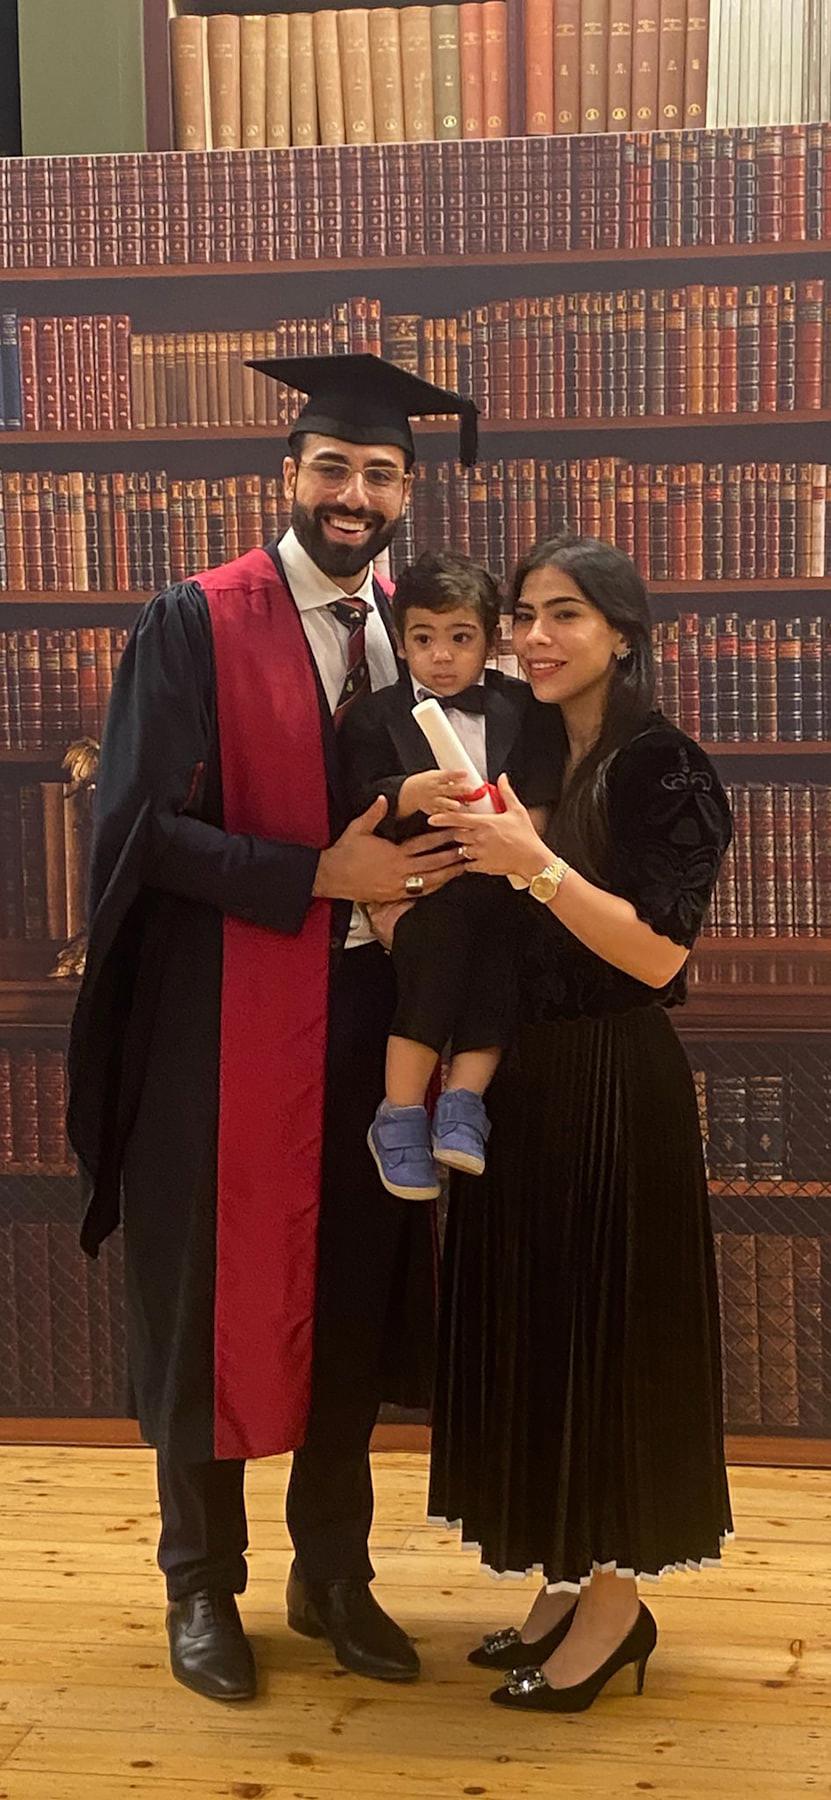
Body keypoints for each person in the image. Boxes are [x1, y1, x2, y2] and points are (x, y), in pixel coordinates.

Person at [66, 353, 479, 1702]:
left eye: (380, 475)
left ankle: (333, 1573)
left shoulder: (420, 631)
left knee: (348, 1293)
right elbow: (137, 833)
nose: (354, 495)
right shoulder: (195, 618)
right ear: (287, 473)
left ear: (405, 492)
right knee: (208, 1296)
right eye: (332, 468)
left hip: (369, 1022)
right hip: (221, 1023)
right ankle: (201, 1581)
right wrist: (316, 874)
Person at [426, 535, 734, 1714]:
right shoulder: (532, 747)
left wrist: (533, 862)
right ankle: (564, 1579)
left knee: (605, 1345)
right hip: (522, 1079)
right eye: (521, 615)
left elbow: (658, 955)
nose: (534, 637)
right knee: (542, 1337)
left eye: (564, 614)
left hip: (612, 1077)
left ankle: (616, 1608)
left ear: (622, 632)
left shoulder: (665, 766)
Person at [339, 548, 555, 1200]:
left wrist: (518, 836)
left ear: (490, 639)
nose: (441, 656)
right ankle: (400, 1112)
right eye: (423, 639)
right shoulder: (374, 715)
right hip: (423, 885)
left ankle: (463, 1102)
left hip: (501, 883)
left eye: (460, 639)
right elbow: (355, 795)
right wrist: (409, 793)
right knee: (434, 963)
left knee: (498, 970)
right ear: (401, 641)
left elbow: (543, 790)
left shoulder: (523, 706)